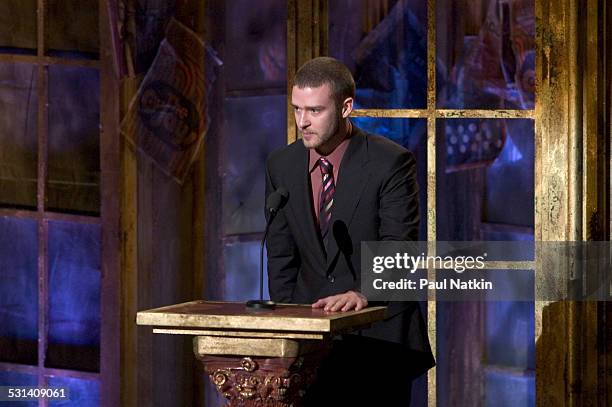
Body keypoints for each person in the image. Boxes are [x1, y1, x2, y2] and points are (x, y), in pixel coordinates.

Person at [265, 57, 434, 405]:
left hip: (378, 341)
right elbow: (282, 254)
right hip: (309, 345)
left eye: (314, 110)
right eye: (297, 109)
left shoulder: (391, 162)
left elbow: (400, 247)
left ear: (345, 107)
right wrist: (288, 323)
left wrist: (364, 293)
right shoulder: (281, 165)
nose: (303, 122)